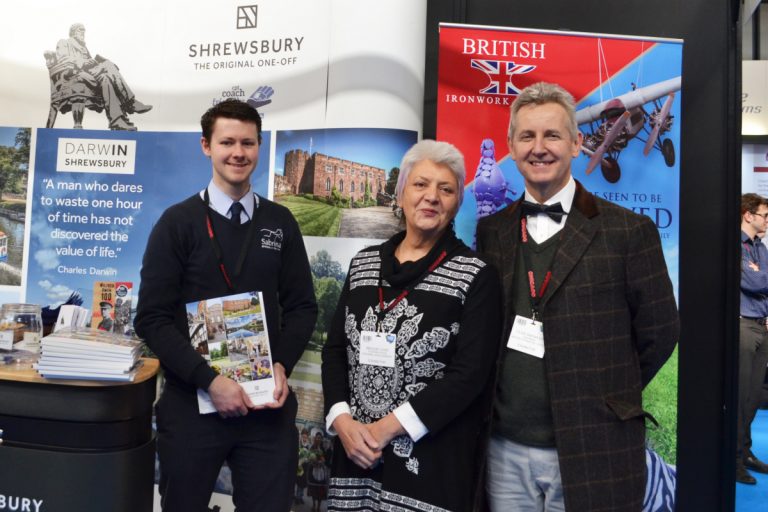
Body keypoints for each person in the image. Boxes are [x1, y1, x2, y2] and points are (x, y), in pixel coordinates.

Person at [476, 82, 679, 512]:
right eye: (527, 136)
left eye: (552, 135)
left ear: (576, 142)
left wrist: (604, 392)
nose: (539, 147)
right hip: (502, 450)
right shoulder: (491, 232)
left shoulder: (628, 231)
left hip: (595, 446)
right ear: (511, 147)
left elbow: (660, 332)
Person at [134, 98, 317, 511]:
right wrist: (210, 381)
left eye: (248, 143)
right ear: (206, 146)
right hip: (193, 406)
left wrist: (281, 364)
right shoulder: (176, 224)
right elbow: (152, 317)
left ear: (259, 147)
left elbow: (303, 306)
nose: (239, 152)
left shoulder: (280, 222)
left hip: (266, 410)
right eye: (227, 142)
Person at [322, 139, 502, 511]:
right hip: (354, 456)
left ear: (457, 204)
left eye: (446, 189)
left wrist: (385, 429)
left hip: (430, 466)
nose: (431, 196)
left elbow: (469, 375)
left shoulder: (476, 275)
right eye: (420, 184)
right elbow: (335, 350)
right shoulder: (363, 264)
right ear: (401, 192)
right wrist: (341, 420)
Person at [55, 23, 152, 130]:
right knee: (108, 66)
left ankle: (116, 121)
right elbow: (63, 60)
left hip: (89, 74)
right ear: (73, 32)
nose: (83, 32)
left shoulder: (83, 47)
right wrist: (83, 62)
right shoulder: (64, 42)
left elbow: (89, 62)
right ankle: (130, 103)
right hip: (74, 74)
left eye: (84, 30)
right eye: (80, 30)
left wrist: (93, 61)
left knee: (106, 78)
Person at [737, 192, 768, 484]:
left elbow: (762, 280)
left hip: (761, 325)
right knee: (741, 394)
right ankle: (732, 458)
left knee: (754, 396)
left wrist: (761, 277)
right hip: (743, 327)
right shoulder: (737, 245)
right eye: (764, 215)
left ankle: (745, 452)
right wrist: (760, 278)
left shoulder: (760, 248)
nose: (767, 221)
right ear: (748, 214)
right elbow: (751, 281)